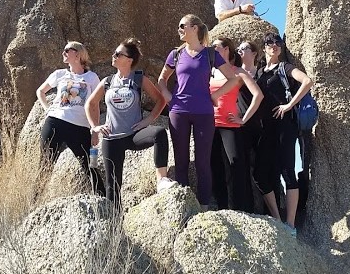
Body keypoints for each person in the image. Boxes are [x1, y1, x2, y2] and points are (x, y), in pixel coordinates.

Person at [158, 14, 238, 208]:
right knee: (181, 161)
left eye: (182, 26)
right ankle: (186, 207)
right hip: (178, 112)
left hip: (204, 113)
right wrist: (169, 98)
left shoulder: (210, 54)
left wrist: (215, 95)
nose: (179, 29)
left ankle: (203, 207)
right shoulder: (175, 54)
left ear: (194, 28)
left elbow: (233, 79)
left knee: (203, 162)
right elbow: (161, 80)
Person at [85, 38, 170, 207]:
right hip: (112, 139)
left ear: (129, 60)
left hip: (133, 134)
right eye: (114, 53)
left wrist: (149, 119)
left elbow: (160, 100)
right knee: (112, 188)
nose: (113, 56)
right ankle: (114, 225)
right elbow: (90, 104)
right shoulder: (108, 81)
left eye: (118, 54)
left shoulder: (139, 79)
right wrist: (95, 127)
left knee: (159, 133)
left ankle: (161, 180)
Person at [254, 32, 313, 237]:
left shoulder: (284, 68)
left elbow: (307, 81)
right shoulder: (259, 72)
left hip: (284, 126)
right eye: (270, 43)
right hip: (266, 128)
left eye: (278, 43)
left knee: (287, 171)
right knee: (261, 174)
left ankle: (290, 224)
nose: (274, 45)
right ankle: (277, 219)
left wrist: (289, 105)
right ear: (264, 48)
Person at [37, 41, 101, 188]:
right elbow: (40, 91)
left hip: (80, 127)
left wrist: (95, 130)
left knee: (91, 164)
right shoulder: (59, 74)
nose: (63, 53)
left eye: (67, 51)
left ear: (77, 54)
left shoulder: (92, 77)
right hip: (55, 122)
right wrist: (47, 108)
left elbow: (95, 105)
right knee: (45, 165)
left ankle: (108, 204)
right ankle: (34, 205)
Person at [210, 37, 263, 212]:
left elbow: (258, 95)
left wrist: (244, 119)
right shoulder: (209, 72)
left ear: (226, 50)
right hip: (210, 124)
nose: (213, 49)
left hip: (230, 124)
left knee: (237, 166)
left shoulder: (237, 71)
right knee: (215, 167)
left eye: (216, 46)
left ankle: (243, 209)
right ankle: (222, 207)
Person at [236, 40, 264, 213]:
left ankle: (273, 212)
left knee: (265, 169)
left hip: (262, 126)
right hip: (242, 126)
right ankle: (248, 209)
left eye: (244, 48)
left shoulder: (262, 74)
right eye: (238, 49)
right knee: (243, 167)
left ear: (254, 53)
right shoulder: (235, 74)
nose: (240, 51)